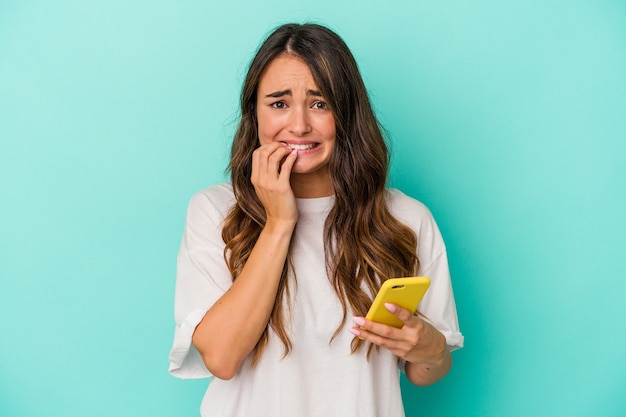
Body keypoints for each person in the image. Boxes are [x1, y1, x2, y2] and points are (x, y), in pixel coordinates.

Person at [168, 23, 463, 417]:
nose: (299, 125)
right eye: (278, 103)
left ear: (346, 114)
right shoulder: (215, 211)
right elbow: (221, 357)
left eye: (319, 103)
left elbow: (426, 372)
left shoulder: (405, 219)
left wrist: (429, 348)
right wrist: (278, 222)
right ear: (253, 113)